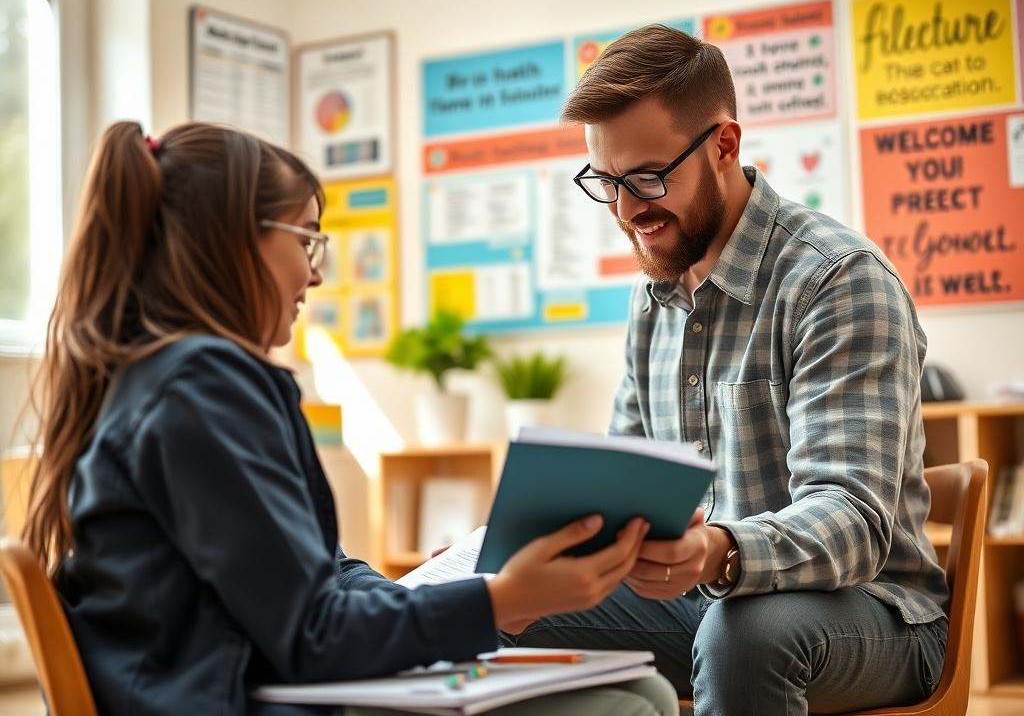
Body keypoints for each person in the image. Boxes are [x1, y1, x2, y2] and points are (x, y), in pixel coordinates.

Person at [22, 121, 679, 716]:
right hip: (235, 699)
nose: (315, 275)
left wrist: (474, 591)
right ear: (231, 243)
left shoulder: (175, 379)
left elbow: (320, 573)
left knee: (643, 691)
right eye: (306, 239)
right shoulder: (201, 388)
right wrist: (498, 601)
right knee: (626, 708)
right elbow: (315, 635)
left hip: (239, 682)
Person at [505, 25, 949, 715]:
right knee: (498, 611)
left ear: (725, 145)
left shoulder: (837, 280)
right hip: (705, 606)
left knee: (746, 634)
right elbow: (628, 481)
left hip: (872, 614)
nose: (627, 212)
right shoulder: (653, 299)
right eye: (607, 182)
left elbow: (856, 521)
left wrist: (718, 551)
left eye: (648, 178)